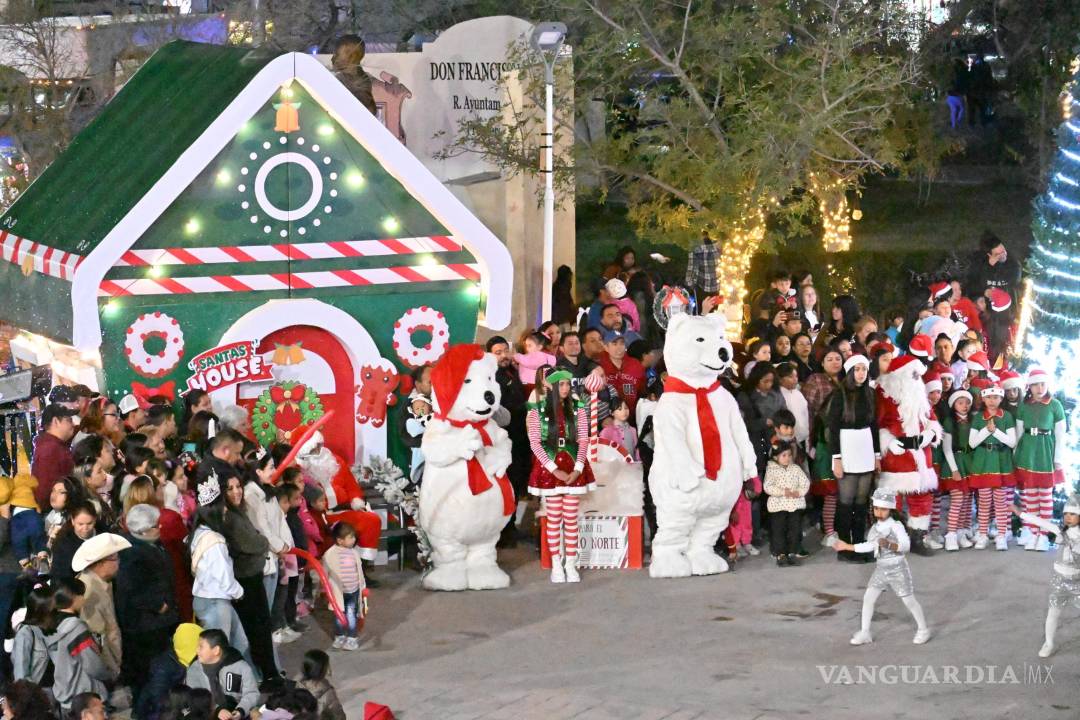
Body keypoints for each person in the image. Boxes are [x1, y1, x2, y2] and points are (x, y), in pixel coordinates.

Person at [833, 488, 931, 646]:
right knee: (868, 598)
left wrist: (890, 545)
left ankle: (923, 629)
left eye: (883, 509)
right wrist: (847, 547)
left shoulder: (896, 526)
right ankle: (865, 632)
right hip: (881, 569)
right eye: (877, 508)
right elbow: (870, 546)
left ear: (891, 509)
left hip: (897, 568)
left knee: (908, 601)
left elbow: (906, 545)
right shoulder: (875, 528)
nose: (879, 512)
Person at [526, 368, 593, 583]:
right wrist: (554, 469)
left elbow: (584, 439)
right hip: (550, 470)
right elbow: (535, 442)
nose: (565, 388)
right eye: (561, 384)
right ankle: (556, 564)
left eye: (567, 384)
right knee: (553, 519)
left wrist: (578, 468)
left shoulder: (579, 409)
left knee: (571, 519)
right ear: (553, 386)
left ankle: (571, 564)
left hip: (574, 467)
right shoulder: (538, 410)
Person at [116, 504, 181, 697]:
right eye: (155, 526)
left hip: (159, 623)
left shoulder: (151, 543)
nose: (159, 528)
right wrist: (157, 605)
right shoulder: (131, 553)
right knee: (149, 676)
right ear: (142, 531)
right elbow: (130, 589)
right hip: (145, 626)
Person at [188, 480, 250, 665]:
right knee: (219, 654)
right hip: (215, 602)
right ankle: (222, 690)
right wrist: (240, 592)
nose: (225, 511)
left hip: (211, 600)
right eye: (222, 506)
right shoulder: (214, 541)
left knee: (239, 643)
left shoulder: (199, 532)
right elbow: (224, 577)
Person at [826, 354, 880, 562]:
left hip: (865, 447)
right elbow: (833, 428)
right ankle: (844, 547)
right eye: (856, 369)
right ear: (850, 372)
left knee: (861, 501)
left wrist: (876, 456)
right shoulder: (839, 394)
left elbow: (874, 426)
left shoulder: (869, 393)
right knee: (846, 501)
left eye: (864, 369)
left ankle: (859, 544)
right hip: (846, 448)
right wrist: (836, 458)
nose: (861, 373)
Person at [1016, 495, 1080, 658]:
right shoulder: (1060, 531)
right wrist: (1020, 514)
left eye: (1072, 514)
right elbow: (1042, 522)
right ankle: (1049, 643)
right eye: (1066, 514)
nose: (1068, 517)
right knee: (1053, 613)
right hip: (1059, 581)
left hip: (1077, 583)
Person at [1014, 367, 1067, 552]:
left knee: (1045, 497)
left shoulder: (1055, 405)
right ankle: (1033, 532)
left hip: (1045, 454)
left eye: (1042, 383)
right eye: (1035, 384)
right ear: (1029, 387)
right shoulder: (1023, 406)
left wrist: (1058, 459)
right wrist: (1016, 455)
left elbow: (1061, 435)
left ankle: (1043, 536)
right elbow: (1019, 434)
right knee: (1030, 497)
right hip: (1027, 454)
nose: (1039, 388)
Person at [46, 577, 114, 713]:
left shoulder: (49, 625)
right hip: (85, 697)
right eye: (81, 594)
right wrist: (109, 674)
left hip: (64, 694)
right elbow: (93, 665)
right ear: (73, 598)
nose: (84, 599)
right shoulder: (76, 628)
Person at [73, 533, 130, 681]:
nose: (118, 562)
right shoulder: (89, 591)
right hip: (104, 671)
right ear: (100, 563)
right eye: (114, 558)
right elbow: (98, 639)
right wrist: (112, 671)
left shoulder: (104, 584)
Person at [967, 383, 1016, 551]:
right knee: (984, 502)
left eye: (995, 397)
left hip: (1001, 461)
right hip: (983, 462)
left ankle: (1001, 535)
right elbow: (972, 443)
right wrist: (986, 431)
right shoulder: (978, 417)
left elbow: (1012, 441)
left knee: (1001, 502)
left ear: (1001, 398)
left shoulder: (1007, 416)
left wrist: (995, 432)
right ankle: (982, 534)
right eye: (988, 397)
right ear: (983, 398)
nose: (992, 401)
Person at [185, 628, 260, 719]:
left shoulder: (239, 666)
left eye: (201, 647)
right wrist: (217, 710)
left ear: (216, 650)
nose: (197, 650)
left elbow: (252, 693)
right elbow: (195, 699)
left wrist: (241, 710)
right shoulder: (194, 670)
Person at [136, 623, 202, 720]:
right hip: (156, 712)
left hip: (174, 705)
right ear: (191, 644)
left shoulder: (184, 658)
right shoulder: (163, 666)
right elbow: (157, 699)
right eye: (200, 644)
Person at [764, 441, 810, 567]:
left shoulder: (795, 469)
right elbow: (768, 486)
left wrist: (799, 492)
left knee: (795, 530)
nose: (787, 458)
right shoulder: (772, 470)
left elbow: (805, 483)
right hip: (778, 506)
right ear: (775, 457)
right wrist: (782, 492)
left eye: (789, 455)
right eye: (783, 455)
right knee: (779, 531)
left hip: (794, 505)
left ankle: (792, 553)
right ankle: (781, 554)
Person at [323, 521, 367, 651]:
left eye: (353, 536)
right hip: (338, 592)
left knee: (351, 615)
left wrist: (363, 585)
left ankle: (352, 638)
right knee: (339, 616)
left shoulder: (354, 553)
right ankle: (340, 635)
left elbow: (359, 570)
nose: (353, 540)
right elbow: (323, 572)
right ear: (340, 540)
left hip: (353, 591)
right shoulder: (330, 554)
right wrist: (323, 588)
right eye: (350, 537)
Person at [941, 390, 975, 552]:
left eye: (967, 402)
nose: (964, 406)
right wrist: (954, 470)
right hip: (955, 462)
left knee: (967, 500)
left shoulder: (973, 420)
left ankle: (961, 532)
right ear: (954, 404)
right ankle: (951, 534)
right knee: (958, 500)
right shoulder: (949, 422)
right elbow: (946, 448)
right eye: (960, 403)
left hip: (969, 463)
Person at [32, 404, 78, 511]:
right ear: (56, 421)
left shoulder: (54, 446)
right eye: (69, 420)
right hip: (54, 512)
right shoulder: (50, 449)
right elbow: (43, 490)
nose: (73, 424)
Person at [11, 580, 55, 685]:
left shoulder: (52, 631)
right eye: (54, 610)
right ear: (44, 611)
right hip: (37, 694)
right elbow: (21, 675)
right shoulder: (26, 633)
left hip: (56, 694)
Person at [967, 230, 1022, 307]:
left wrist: (998, 266)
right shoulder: (979, 263)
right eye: (997, 254)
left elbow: (1014, 287)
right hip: (984, 304)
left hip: (1004, 304)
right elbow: (970, 285)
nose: (1003, 255)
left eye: (1003, 250)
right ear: (989, 255)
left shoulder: (1014, 265)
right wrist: (984, 291)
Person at [597, 332, 647, 416]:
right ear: (606, 347)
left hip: (632, 418)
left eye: (622, 343)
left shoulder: (636, 365)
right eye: (614, 344)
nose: (619, 348)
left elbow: (642, 391)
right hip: (607, 419)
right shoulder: (599, 366)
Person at [330, 34, 377, 115]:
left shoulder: (339, 81)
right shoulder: (364, 82)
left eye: (337, 54)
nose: (332, 58)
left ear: (352, 56)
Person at [295, 649, 346, 720]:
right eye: (327, 665)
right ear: (321, 669)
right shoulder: (327, 692)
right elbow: (338, 716)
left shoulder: (298, 685)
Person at [775, 363, 809, 446]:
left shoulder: (798, 393)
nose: (795, 379)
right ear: (780, 379)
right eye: (790, 377)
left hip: (804, 437)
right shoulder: (778, 396)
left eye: (796, 376)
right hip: (789, 440)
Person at [685, 230, 721, 304]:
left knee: (702, 312)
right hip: (717, 287)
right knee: (715, 311)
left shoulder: (695, 249)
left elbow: (691, 268)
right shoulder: (718, 247)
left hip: (702, 288)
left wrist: (689, 283)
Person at [599, 395, 639, 460]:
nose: (624, 411)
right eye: (619, 409)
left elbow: (637, 452)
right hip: (615, 468)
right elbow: (603, 454)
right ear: (611, 412)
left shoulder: (632, 430)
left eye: (626, 408)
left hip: (632, 468)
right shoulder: (606, 432)